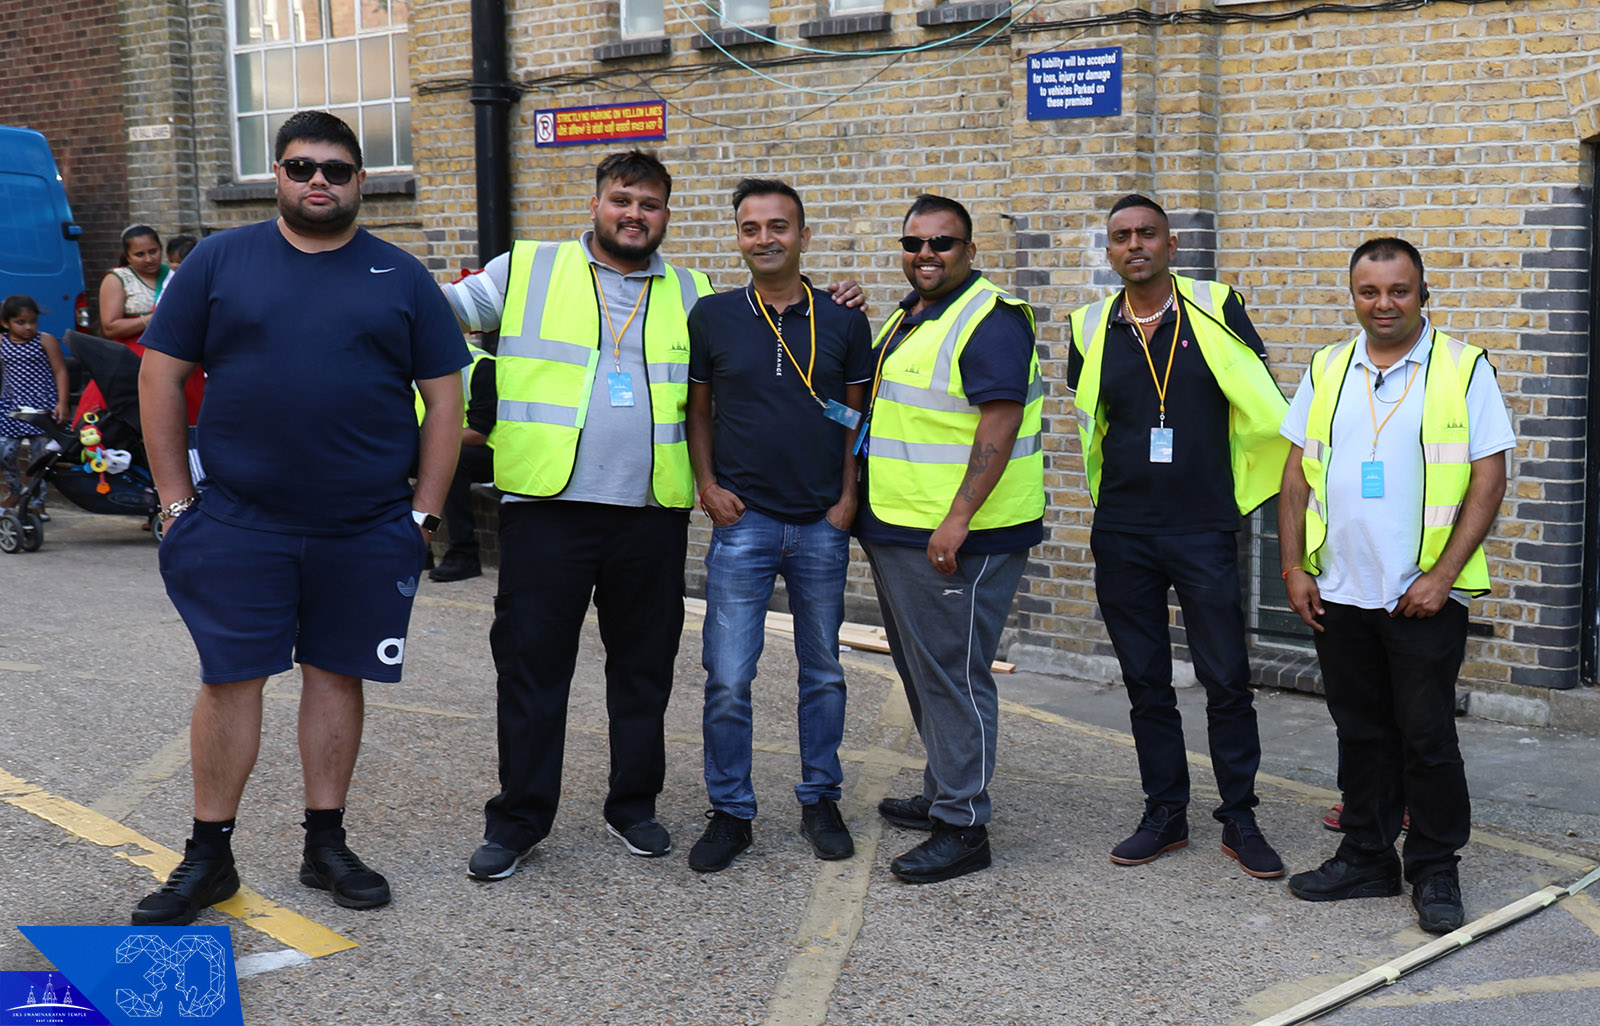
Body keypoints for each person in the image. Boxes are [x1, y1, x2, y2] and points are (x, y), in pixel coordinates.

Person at [443, 150, 861, 881]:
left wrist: (839, 302)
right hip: (548, 509)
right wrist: (470, 379)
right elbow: (431, 314)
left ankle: (633, 807)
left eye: (650, 205)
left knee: (644, 675)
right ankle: (518, 821)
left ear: (667, 214)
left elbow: (768, 335)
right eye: (622, 200)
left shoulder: (695, 293)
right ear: (598, 203)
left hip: (651, 515)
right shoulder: (527, 269)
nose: (634, 215)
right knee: (533, 670)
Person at [133, 110, 467, 926]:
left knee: (336, 674)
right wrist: (178, 503)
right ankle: (208, 854)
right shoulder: (218, 261)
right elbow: (159, 380)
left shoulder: (402, 276)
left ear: (363, 181)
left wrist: (422, 515)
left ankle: (326, 843)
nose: (319, 180)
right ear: (276, 175)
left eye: (337, 169)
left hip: (364, 525)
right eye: (300, 166)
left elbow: (445, 401)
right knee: (229, 680)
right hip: (242, 522)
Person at [1280, 237, 1513, 934]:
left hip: (1421, 596)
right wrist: (1293, 566)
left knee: (1427, 737)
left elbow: (1488, 477)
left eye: (1399, 290)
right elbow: (1295, 475)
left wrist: (1443, 577)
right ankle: (1367, 856)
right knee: (1360, 732)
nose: (1384, 304)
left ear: (1423, 292)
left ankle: (1436, 868)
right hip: (1340, 590)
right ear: (1352, 294)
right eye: (1369, 291)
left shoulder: (1463, 367)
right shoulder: (1327, 367)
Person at [1066, 194, 1289, 878]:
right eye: (1121, 237)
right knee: (1146, 682)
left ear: (1170, 244)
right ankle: (1164, 814)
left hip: (1203, 525)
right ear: (1109, 252)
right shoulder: (1090, 326)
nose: (1134, 245)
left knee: (1226, 679)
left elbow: (1258, 395)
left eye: (1147, 234)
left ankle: (1240, 817)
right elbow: (1095, 420)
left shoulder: (1216, 307)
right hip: (1125, 529)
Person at [683, 178, 872, 872]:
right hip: (745, 522)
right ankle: (731, 811)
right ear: (738, 236)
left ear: (804, 235)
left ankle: (820, 796)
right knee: (729, 676)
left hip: (822, 523)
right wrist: (707, 484)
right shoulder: (713, 316)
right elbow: (697, 411)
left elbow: (855, 415)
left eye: (778, 226)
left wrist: (847, 495)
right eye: (750, 227)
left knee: (822, 672)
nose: (765, 238)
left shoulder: (845, 321)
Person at [858, 194, 1043, 884]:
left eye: (942, 244)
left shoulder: (989, 319)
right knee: (925, 669)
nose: (925, 255)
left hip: (959, 536)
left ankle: (964, 824)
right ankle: (944, 788)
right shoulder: (913, 315)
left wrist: (959, 517)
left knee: (954, 673)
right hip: (903, 526)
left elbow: (998, 424)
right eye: (913, 243)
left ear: (970, 250)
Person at [424, 320, 495, 583]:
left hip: (490, 453)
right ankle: (421, 544)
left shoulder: (482, 365)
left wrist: (429, 444)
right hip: (445, 447)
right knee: (397, 461)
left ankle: (465, 553)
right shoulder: (421, 368)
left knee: (450, 461)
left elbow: (479, 433)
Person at [0, 295, 69, 519]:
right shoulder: (2, 342)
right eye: (21, 322)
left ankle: (38, 502)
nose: (28, 327)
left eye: (32, 321)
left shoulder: (45, 340)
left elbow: (60, 371)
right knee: (5, 453)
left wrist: (62, 402)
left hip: (42, 408)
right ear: (6, 323)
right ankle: (15, 491)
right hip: (11, 407)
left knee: (39, 458)